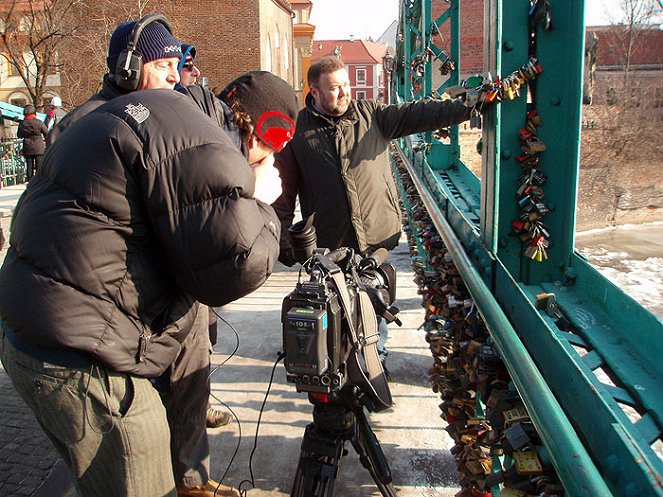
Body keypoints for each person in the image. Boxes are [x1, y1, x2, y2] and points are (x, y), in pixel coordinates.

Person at [272, 55, 472, 372]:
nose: (344, 93)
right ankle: (337, 363)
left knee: (375, 300)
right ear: (314, 91)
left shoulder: (371, 115)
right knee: (333, 313)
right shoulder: (298, 132)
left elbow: (419, 114)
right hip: (328, 245)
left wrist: (467, 106)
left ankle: (376, 356)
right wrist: (283, 244)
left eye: (346, 85)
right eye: (334, 89)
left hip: (376, 238)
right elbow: (283, 194)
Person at [47, 13, 182, 145]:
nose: (175, 77)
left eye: (176, 65)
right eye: (163, 65)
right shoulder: (85, 126)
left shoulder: (164, 114)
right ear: (128, 71)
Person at [16, 104, 48, 180]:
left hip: (27, 147)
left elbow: (19, 135)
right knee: (39, 165)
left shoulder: (22, 123)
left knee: (29, 165)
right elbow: (46, 132)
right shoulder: (38, 122)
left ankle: (30, 179)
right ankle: (38, 180)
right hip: (38, 146)